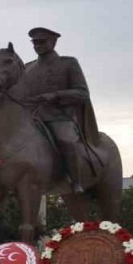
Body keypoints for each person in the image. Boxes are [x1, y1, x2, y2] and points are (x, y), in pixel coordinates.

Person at [26, 27, 100, 195]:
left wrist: (56, 95)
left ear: (53, 42)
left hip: (58, 117)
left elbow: (82, 93)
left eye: (42, 42)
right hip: (32, 118)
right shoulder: (28, 67)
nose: (37, 45)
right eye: (35, 43)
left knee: (66, 140)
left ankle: (76, 181)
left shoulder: (68, 63)